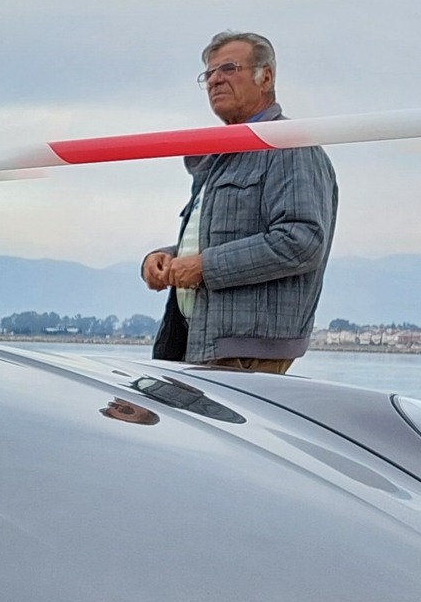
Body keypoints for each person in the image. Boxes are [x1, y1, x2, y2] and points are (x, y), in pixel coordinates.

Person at [140, 31, 338, 372]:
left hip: (246, 352)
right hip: (201, 341)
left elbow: (302, 242)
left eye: (229, 69)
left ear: (267, 77)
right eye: (209, 74)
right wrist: (167, 259)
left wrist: (201, 266)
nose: (215, 79)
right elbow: (221, 240)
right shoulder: (225, 155)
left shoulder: (290, 147)